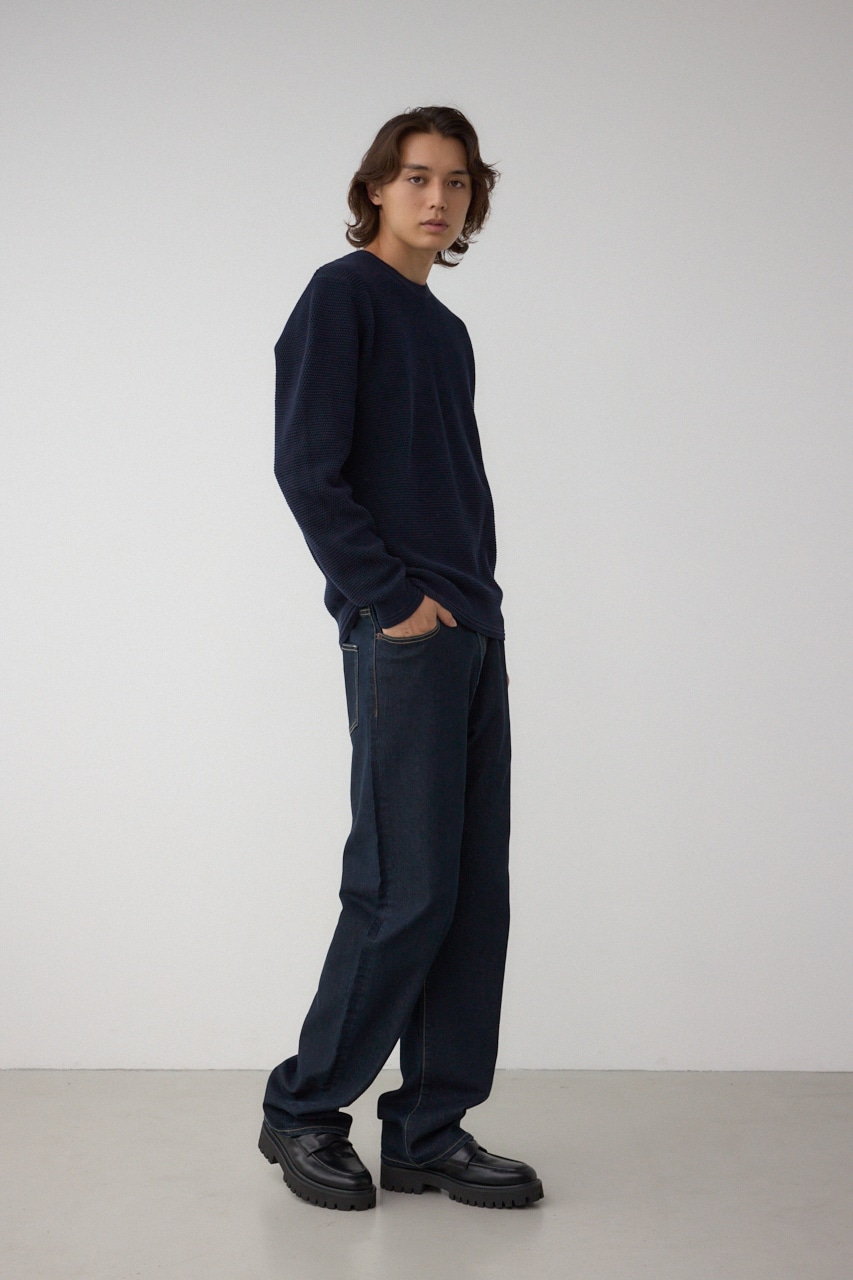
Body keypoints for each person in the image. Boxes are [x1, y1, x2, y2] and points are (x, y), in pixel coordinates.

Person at [259, 105, 543, 1212]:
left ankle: (428, 1129)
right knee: (402, 887)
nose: (437, 198)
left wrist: (470, 611)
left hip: (470, 628)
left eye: (457, 182)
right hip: (405, 633)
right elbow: (306, 466)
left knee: (471, 897)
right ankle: (302, 1110)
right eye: (417, 176)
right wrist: (390, 600)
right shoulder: (341, 298)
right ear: (375, 187)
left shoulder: (445, 328)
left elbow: (449, 481)